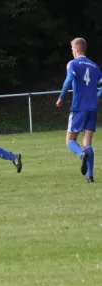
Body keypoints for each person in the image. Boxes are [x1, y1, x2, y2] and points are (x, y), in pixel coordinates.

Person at [56, 37, 102, 183]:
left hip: (79, 108)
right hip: (92, 108)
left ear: (75, 49)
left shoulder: (73, 63)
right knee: (87, 141)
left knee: (70, 140)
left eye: (71, 50)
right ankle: (90, 176)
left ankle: (81, 154)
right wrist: (97, 96)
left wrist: (61, 97)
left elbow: (69, 79)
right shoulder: (95, 66)